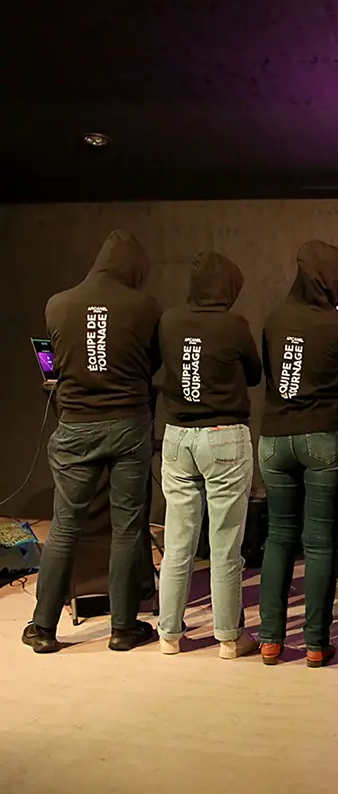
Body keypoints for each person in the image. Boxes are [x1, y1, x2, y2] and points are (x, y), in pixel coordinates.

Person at [22, 230, 161, 654]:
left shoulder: (57, 304)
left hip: (76, 426)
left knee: (65, 527)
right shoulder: (146, 306)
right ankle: (123, 627)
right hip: (128, 425)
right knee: (127, 527)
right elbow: (152, 363)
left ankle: (43, 628)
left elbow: (63, 363)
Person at [258, 240, 338, 667]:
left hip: (274, 439)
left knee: (278, 537)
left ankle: (270, 640)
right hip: (324, 438)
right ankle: (316, 644)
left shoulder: (275, 318)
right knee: (319, 543)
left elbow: (270, 373)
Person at [157, 251, 262, 659]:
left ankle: (168, 634)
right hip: (223, 438)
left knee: (177, 543)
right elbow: (253, 374)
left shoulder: (169, 321)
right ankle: (229, 638)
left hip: (177, 438)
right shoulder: (234, 325)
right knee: (225, 545)